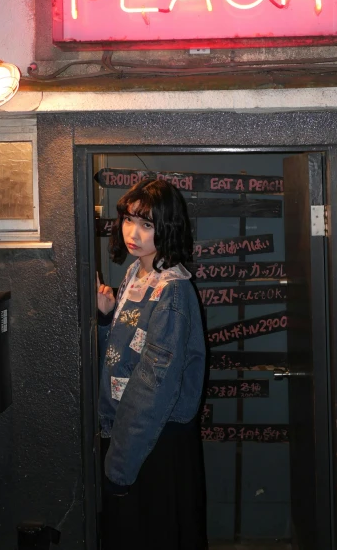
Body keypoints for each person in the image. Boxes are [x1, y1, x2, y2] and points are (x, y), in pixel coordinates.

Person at [97, 177, 207, 550]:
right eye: (129, 220)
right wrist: (105, 317)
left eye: (147, 224)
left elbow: (152, 387)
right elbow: (120, 357)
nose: (134, 233)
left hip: (154, 442)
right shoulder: (136, 273)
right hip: (132, 434)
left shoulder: (172, 290)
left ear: (167, 228)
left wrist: (120, 464)